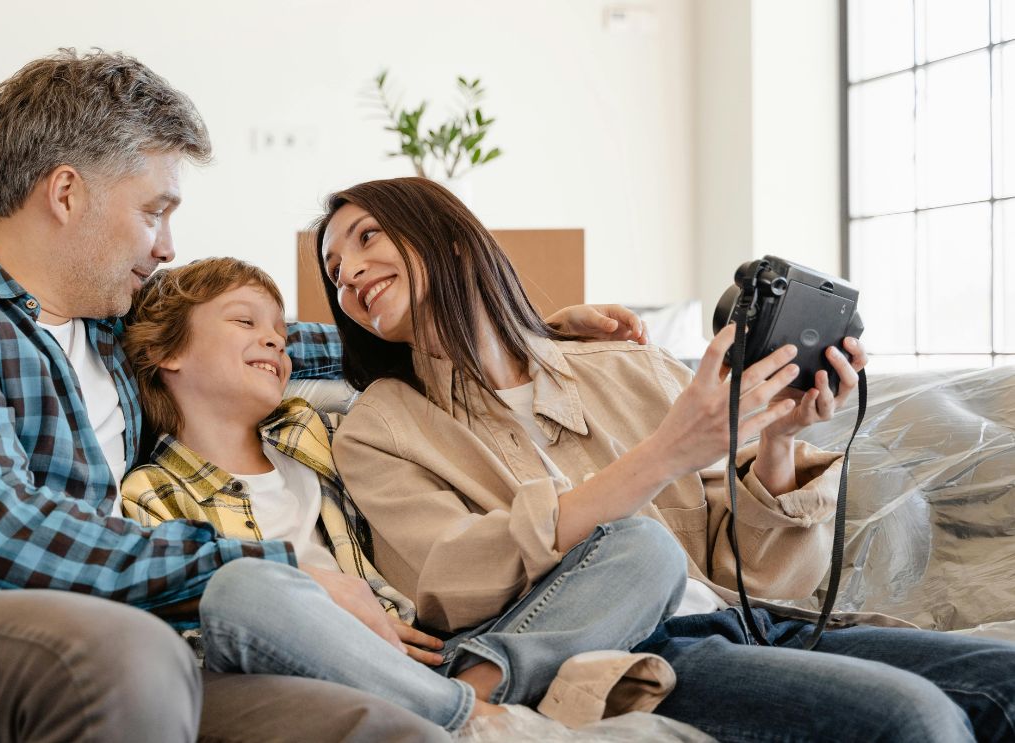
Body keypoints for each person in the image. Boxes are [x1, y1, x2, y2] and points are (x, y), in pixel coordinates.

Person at [0, 51, 650, 741]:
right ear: (66, 191)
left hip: (117, 639)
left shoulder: (116, 332)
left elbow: (285, 345)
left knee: (366, 724)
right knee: (126, 650)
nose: (166, 244)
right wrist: (268, 563)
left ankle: (474, 714)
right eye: (155, 209)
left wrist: (513, 321)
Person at [316, 176, 1015, 742]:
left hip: (757, 624)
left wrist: (774, 436)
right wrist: (662, 454)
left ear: (448, 232)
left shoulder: (626, 363)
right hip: (637, 654)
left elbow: (766, 571)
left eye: (365, 236)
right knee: (911, 719)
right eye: (333, 270)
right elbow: (447, 580)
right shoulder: (379, 426)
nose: (347, 273)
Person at [117, 257, 688, 738]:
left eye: (281, 334)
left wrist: (530, 329)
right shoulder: (150, 491)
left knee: (645, 546)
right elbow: (193, 630)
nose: (273, 339)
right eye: (245, 321)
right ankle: (478, 717)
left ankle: (476, 696)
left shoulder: (324, 433)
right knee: (241, 588)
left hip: (435, 650)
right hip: (312, 662)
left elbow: (380, 347)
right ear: (166, 352)